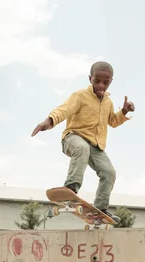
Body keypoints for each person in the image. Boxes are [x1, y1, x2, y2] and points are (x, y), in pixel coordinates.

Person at [31, 61, 135, 222]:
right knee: (82, 148)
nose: (101, 86)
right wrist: (49, 121)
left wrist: (123, 111)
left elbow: (113, 122)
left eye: (105, 83)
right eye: (97, 81)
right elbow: (64, 110)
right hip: (73, 138)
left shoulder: (108, 102)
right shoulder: (80, 96)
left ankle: (100, 208)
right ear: (90, 78)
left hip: (96, 146)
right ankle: (70, 188)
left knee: (109, 173)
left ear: (111, 82)